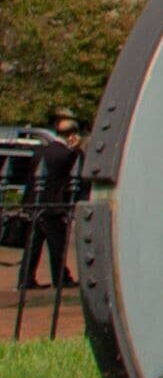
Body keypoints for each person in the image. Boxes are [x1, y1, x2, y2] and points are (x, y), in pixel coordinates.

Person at [17, 114, 81, 289]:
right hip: (54, 205)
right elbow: (76, 175)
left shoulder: (40, 152)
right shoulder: (68, 154)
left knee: (33, 245)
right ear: (72, 135)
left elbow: (30, 179)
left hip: (35, 203)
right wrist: (76, 150)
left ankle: (25, 279)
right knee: (57, 246)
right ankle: (61, 278)